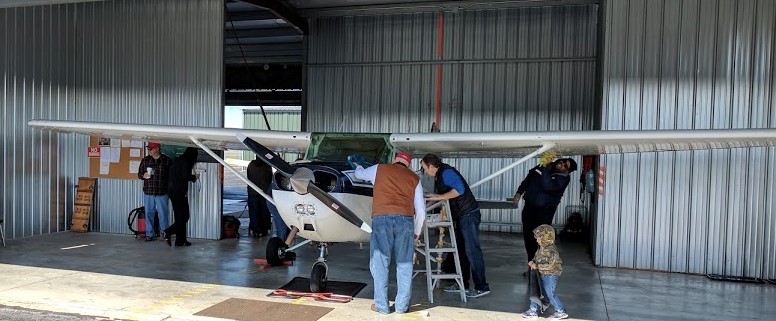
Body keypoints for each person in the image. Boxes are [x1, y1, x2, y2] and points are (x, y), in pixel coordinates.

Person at [353, 151, 425, 314]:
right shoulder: (415, 179)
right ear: (409, 164)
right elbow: (420, 211)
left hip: (382, 219)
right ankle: (401, 307)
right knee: (405, 264)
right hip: (406, 221)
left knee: (380, 263)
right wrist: (416, 232)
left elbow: (359, 175)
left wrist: (358, 167)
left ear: (394, 159)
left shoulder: (380, 169)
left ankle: (382, 306)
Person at [420, 154, 491, 298]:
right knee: (461, 252)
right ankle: (462, 284)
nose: (425, 172)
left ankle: (481, 287)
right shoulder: (439, 177)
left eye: (424, 169)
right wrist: (423, 209)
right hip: (461, 216)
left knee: (472, 250)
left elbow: (459, 190)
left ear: (431, 166)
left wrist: (438, 197)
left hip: (469, 214)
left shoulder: (446, 172)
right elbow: (440, 196)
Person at [513, 158, 577, 262]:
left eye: (565, 166)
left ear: (567, 171)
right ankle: (531, 265)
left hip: (545, 211)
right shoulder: (543, 166)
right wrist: (519, 192)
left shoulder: (563, 179)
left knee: (540, 239)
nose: (562, 164)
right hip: (529, 207)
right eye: (563, 161)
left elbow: (547, 186)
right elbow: (529, 179)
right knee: (528, 237)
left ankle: (541, 266)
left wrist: (546, 168)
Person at [521, 224, 568, 320]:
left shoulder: (551, 251)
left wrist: (537, 266)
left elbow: (550, 264)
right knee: (535, 292)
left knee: (550, 294)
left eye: (538, 237)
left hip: (549, 276)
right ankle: (533, 310)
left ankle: (560, 311)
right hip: (540, 274)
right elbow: (537, 257)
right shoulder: (541, 248)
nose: (536, 239)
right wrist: (532, 261)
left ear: (545, 238)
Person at [163, 147, 199, 247]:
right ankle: (168, 232)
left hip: (172, 191)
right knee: (185, 217)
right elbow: (185, 176)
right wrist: (194, 177)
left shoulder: (176, 160)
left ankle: (180, 240)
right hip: (179, 193)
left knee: (180, 217)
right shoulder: (186, 162)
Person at [137, 142, 172, 242]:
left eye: (151, 149)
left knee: (163, 214)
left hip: (162, 192)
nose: (149, 150)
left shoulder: (166, 160)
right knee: (149, 213)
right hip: (149, 191)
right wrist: (143, 175)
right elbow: (139, 174)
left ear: (157, 148)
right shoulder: (145, 160)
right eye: (148, 149)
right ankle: (149, 234)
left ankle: (164, 233)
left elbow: (171, 177)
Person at [247, 157, 273, 237]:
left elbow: (249, 176)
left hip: (253, 192)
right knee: (264, 212)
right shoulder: (267, 166)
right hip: (264, 193)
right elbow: (270, 178)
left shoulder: (251, 165)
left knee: (254, 212)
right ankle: (264, 229)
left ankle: (255, 230)